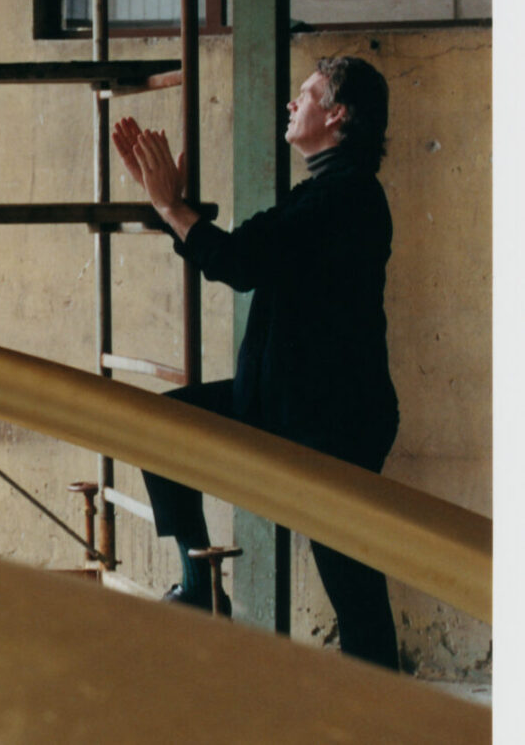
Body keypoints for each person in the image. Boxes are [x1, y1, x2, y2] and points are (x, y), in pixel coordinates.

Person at [112, 56, 400, 670]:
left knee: (352, 584)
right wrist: (173, 207)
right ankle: (199, 585)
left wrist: (170, 207)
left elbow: (240, 261)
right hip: (284, 407)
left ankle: (386, 707)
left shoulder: (344, 197)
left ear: (338, 114)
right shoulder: (326, 191)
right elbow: (244, 253)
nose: (292, 104)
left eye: (307, 95)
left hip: (330, 426)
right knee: (157, 425)